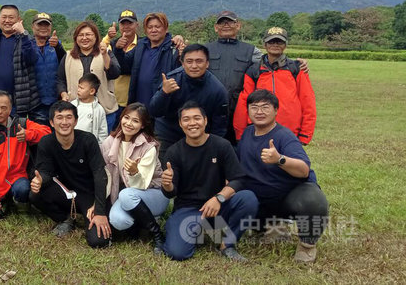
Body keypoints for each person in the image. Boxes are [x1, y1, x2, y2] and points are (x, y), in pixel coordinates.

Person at [237, 89, 329, 263]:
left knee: (313, 201)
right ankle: (272, 226)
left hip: (288, 195)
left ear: (276, 110)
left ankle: (307, 245)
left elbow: (303, 170)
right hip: (262, 197)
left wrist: (279, 159)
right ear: (248, 111)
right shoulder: (247, 133)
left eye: (265, 107)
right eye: (254, 107)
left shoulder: (284, 136)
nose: (259, 111)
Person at [161, 101, 258, 262]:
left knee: (248, 198)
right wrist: (167, 184)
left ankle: (227, 245)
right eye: (186, 119)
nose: (192, 123)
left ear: (205, 121)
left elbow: (238, 179)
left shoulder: (222, 145)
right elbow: (171, 193)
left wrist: (219, 198)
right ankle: (192, 230)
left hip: (218, 206)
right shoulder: (174, 152)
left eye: (197, 118)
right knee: (177, 253)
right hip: (188, 209)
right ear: (180, 124)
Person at [30, 101, 111, 248]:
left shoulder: (88, 140)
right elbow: (45, 172)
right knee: (35, 194)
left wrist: (99, 211)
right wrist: (40, 180)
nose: (64, 122)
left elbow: (100, 175)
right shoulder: (46, 142)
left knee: (98, 241)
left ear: (75, 121)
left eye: (69, 117)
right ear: (51, 122)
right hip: (65, 192)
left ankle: (91, 217)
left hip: (88, 195)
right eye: (59, 117)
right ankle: (65, 218)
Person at [0, 91, 50, 219]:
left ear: (10, 109)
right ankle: (4, 200)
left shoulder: (21, 124)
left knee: (23, 189)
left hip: (18, 177)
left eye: (4, 108)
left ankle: (22, 209)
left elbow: (47, 133)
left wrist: (28, 134)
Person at [100, 103, 168, 253]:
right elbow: (105, 177)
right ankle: (140, 223)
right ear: (121, 118)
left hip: (154, 193)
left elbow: (142, 185)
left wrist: (134, 172)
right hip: (128, 195)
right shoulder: (109, 142)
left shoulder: (148, 146)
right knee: (118, 220)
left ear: (143, 125)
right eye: (126, 118)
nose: (129, 123)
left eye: (135, 121)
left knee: (126, 194)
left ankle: (157, 233)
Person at [234, 27, 316, 145]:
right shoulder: (254, 71)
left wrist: (305, 134)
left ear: (285, 45)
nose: (275, 45)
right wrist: (241, 134)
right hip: (259, 131)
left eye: (279, 42)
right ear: (264, 44)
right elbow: (243, 103)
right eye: (271, 42)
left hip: (290, 132)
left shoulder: (296, 69)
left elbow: (307, 101)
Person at [148, 44, 229, 161]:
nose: (194, 66)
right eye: (189, 61)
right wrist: (164, 93)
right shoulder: (172, 80)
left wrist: (211, 148)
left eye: (199, 61)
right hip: (168, 133)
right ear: (182, 63)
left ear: (207, 63)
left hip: (199, 136)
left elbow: (219, 127)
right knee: (166, 168)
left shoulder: (217, 90)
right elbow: (154, 111)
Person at [204, 11, 262, 144]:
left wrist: (297, 64)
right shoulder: (204, 49)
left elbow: (270, 65)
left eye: (230, 22)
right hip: (211, 109)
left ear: (238, 25)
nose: (226, 25)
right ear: (216, 27)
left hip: (240, 109)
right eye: (222, 22)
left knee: (240, 147)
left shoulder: (252, 51)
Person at [57, 21, 121, 131]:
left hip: (104, 109)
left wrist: (105, 55)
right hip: (76, 110)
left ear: (96, 37)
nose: (84, 38)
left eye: (88, 34)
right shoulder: (68, 56)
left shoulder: (106, 53)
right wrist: (63, 94)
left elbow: (115, 73)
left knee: (102, 139)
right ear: (76, 38)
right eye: (81, 35)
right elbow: (60, 79)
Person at [113, 12, 186, 107]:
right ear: (145, 30)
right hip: (139, 106)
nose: (153, 30)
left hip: (163, 107)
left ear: (166, 28)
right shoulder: (141, 46)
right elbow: (124, 68)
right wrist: (118, 50)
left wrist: (183, 58)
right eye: (150, 27)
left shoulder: (174, 48)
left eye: (157, 27)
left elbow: (182, 77)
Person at [0, 5, 39, 119]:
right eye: (4, 17)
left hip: (17, 103)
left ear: (19, 20)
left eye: (11, 17)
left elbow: (32, 59)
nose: (7, 21)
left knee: (14, 130)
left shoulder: (27, 39)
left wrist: (23, 34)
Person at [103, 10, 140, 119]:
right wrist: (108, 37)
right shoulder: (113, 43)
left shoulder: (143, 44)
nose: (126, 27)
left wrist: (177, 38)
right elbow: (99, 50)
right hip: (113, 100)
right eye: (123, 24)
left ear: (137, 25)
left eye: (130, 23)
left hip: (133, 100)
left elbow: (127, 69)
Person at [30, 12, 65, 125]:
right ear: (32, 26)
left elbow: (65, 63)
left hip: (55, 99)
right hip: (34, 101)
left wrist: (58, 47)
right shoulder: (26, 45)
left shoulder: (56, 45)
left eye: (46, 25)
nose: (43, 28)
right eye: (40, 24)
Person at [71, 74, 108, 143]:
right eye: (78, 87)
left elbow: (102, 132)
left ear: (92, 91)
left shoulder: (99, 110)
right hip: (72, 143)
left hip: (89, 144)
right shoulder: (72, 105)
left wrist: (100, 146)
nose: (78, 90)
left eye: (81, 88)